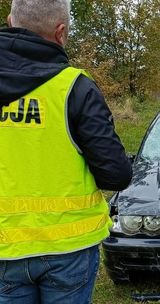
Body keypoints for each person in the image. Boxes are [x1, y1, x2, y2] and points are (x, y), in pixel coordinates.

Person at [0, 0, 133, 303]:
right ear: (60, 32)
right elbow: (115, 174)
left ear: (10, 21)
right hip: (68, 250)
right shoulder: (75, 88)